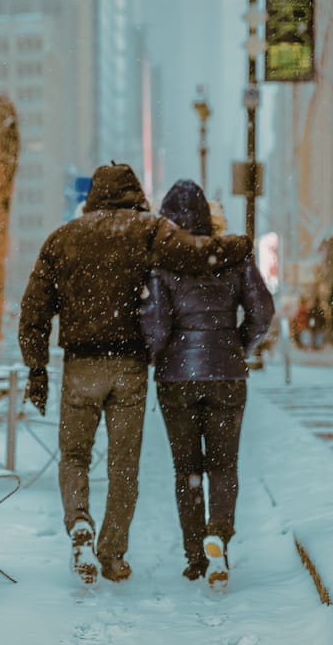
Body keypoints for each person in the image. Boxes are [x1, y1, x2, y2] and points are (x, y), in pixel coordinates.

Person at [18, 163, 252, 586]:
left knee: (74, 455)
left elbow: (33, 310)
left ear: (93, 195)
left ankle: (79, 523)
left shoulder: (61, 239)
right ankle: (112, 554)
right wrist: (238, 245)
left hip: (80, 367)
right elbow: (195, 255)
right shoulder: (145, 229)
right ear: (133, 193)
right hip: (128, 365)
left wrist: (36, 368)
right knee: (124, 466)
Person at [139, 180, 275, 591]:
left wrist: (159, 353)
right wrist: (239, 344)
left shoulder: (162, 263)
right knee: (223, 465)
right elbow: (262, 312)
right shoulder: (233, 257)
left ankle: (195, 555)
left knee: (187, 470)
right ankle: (219, 535)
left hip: (177, 379)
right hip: (227, 375)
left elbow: (157, 326)